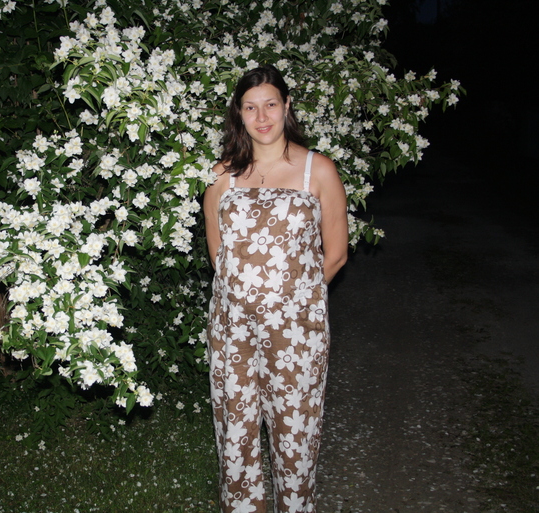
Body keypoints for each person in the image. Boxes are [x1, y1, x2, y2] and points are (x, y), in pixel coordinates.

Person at [203, 65, 349, 512]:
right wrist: (246, 297)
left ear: (287, 106)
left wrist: (293, 300)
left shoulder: (317, 170)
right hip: (232, 330)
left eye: (270, 104)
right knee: (235, 435)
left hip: (296, 332)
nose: (261, 116)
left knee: (295, 435)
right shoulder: (221, 175)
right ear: (239, 113)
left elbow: (336, 254)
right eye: (250, 108)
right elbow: (218, 252)